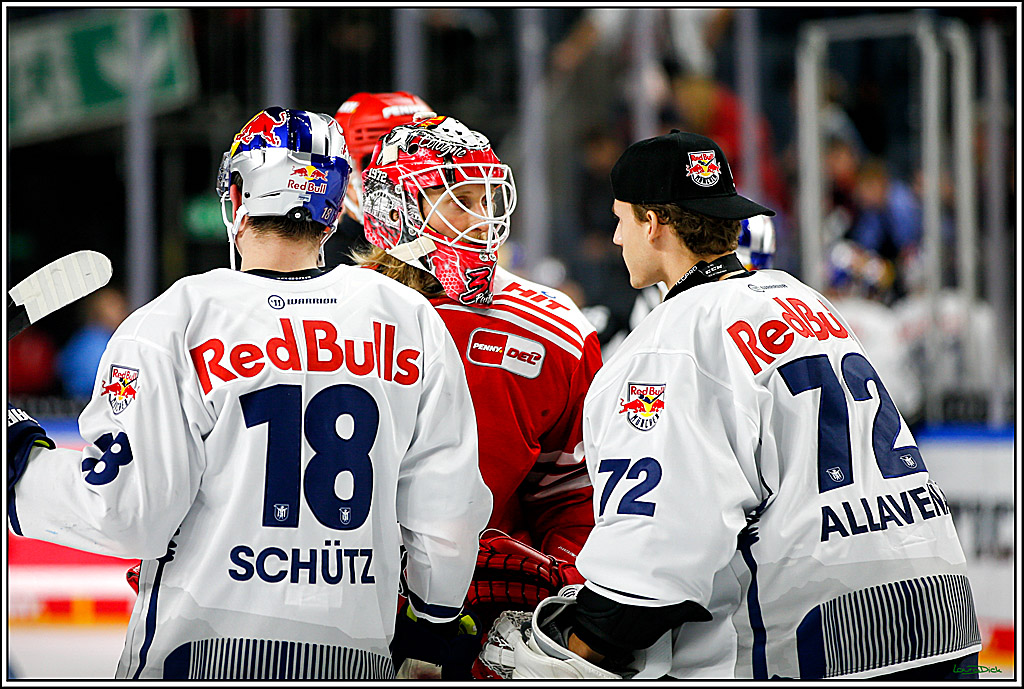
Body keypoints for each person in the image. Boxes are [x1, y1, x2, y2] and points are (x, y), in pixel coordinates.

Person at [7, 107, 491, 679]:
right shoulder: (408, 318)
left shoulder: (177, 319)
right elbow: (448, 509)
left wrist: (19, 458)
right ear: (334, 212)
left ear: (236, 197)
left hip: (202, 660)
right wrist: (433, 624)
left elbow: (125, 512)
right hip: (357, 660)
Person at [510, 130, 981, 679]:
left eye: (621, 218)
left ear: (653, 223)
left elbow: (657, 552)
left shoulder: (671, 341)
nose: (616, 237)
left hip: (823, 635)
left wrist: (583, 638)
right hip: (942, 612)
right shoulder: (805, 300)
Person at [345, 108, 601, 672]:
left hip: (485, 620)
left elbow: (572, 493)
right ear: (399, 211)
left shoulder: (553, 328)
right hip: (344, 607)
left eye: (487, 199)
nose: (483, 220)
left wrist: (562, 594)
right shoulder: (331, 318)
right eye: (460, 199)